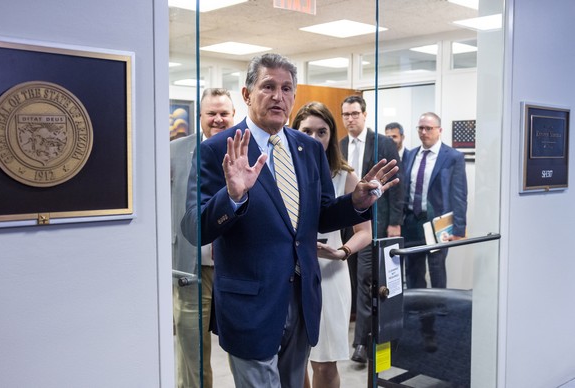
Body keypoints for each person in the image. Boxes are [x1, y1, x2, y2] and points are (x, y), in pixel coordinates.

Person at [182, 53, 400, 388]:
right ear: (246, 94)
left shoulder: (308, 149)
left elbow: (323, 213)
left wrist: (355, 203)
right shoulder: (217, 150)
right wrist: (234, 196)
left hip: (302, 298)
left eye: (286, 89)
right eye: (268, 86)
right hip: (250, 305)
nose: (278, 96)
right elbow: (195, 228)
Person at [291, 102, 372, 388]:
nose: (314, 139)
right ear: (294, 132)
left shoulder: (344, 175)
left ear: (331, 135)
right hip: (291, 275)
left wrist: (342, 252)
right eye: (306, 131)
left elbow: (365, 232)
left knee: (324, 365)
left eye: (322, 132)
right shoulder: (283, 174)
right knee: (293, 362)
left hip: (329, 274)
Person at [171, 88, 235, 388]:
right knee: (192, 354)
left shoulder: (247, 149)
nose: (218, 119)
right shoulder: (175, 151)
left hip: (237, 268)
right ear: (200, 117)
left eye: (224, 113)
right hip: (190, 269)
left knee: (243, 352)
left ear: (234, 116)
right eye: (211, 113)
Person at [339, 95, 404, 363]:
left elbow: (398, 185)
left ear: (365, 114)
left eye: (354, 113)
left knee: (367, 282)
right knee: (352, 281)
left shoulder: (383, 143)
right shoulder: (340, 145)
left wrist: (394, 222)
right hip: (345, 227)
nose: (350, 119)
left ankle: (362, 344)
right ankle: (356, 333)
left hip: (373, 224)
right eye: (345, 114)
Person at [401, 111, 468, 352]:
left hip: (438, 226)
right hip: (411, 224)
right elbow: (404, 189)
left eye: (428, 128)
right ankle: (421, 325)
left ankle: (441, 327)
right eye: (420, 128)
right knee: (414, 274)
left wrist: (459, 229)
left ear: (439, 130)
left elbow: (459, 195)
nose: (423, 132)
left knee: (437, 272)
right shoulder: (409, 154)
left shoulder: (452, 157)